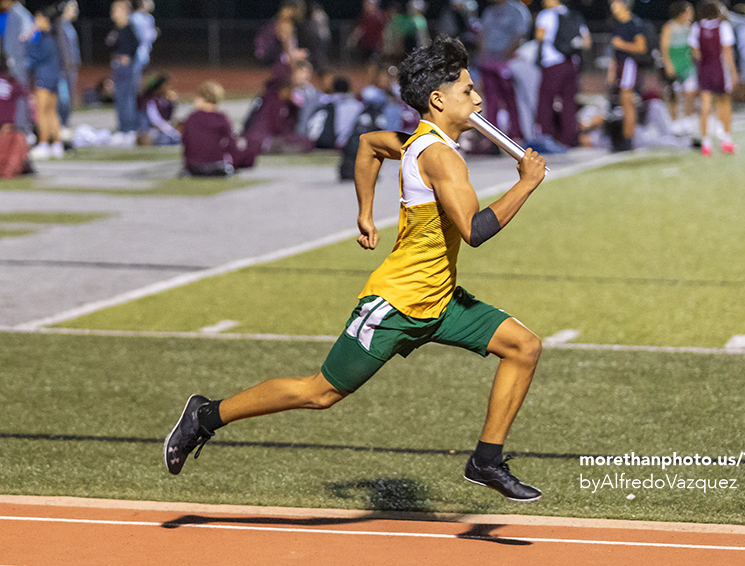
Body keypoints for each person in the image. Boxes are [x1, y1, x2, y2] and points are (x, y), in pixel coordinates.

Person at [163, 36, 549, 504]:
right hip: (396, 305)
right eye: (468, 91)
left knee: (524, 347)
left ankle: (486, 460)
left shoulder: (416, 142)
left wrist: (365, 212)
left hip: (440, 300)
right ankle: (206, 415)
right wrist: (525, 183)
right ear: (438, 99)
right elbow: (474, 229)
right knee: (319, 393)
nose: (479, 99)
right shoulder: (440, 157)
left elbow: (368, 146)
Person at [535, 0, 590, 147]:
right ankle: (569, 139)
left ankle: (545, 137)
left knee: (545, 100)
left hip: (552, 62)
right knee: (569, 103)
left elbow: (539, 36)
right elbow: (586, 42)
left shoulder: (546, 15)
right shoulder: (573, 15)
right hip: (572, 63)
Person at [478, 0, 531, 145]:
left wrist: (505, 56)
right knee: (491, 101)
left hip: (506, 61)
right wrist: (483, 57)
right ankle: (492, 137)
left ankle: (516, 134)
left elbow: (520, 34)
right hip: (489, 61)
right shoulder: (488, 11)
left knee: (511, 99)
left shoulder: (517, 10)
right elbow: (482, 34)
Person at [690, 0, 738, 155]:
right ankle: (727, 141)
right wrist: (733, 72)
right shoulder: (724, 27)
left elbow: (695, 53)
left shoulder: (696, 27)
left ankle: (706, 143)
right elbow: (727, 52)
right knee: (724, 104)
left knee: (704, 107)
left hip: (704, 69)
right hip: (720, 69)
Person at [182, 80, 258, 176]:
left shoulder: (192, 117)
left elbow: (186, 143)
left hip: (194, 167)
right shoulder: (221, 118)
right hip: (216, 167)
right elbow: (232, 145)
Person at [608, 0, 647, 151]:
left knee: (627, 102)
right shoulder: (617, 23)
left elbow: (641, 47)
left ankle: (628, 139)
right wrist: (612, 71)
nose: (612, 6)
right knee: (624, 103)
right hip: (620, 65)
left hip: (629, 64)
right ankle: (626, 139)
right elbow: (614, 51)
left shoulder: (633, 23)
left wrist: (621, 44)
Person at [28, 6, 63, 159]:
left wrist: (30, 35)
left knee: (41, 112)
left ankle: (43, 143)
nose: (35, 22)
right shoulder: (53, 37)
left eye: (38, 19)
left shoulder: (44, 38)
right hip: (54, 77)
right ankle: (56, 144)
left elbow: (33, 55)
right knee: (51, 112)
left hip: (44, 77)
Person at [107, 0, 139, 142]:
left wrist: (126, 57)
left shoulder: (127, 27)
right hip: (117, 66)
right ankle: (123, 128)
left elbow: (134, 45)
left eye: (116, 10)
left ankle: (128, 129)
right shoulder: (117, 28)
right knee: (120, 98)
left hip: (124, 67)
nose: (113, 13)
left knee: (126, 98)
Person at [0, 0, 34, 130]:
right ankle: (22, 126)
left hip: (18, 62)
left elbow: (24, 36)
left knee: (19, 94)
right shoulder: (19, 13)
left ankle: (22, 127)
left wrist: (12, 58)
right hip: (20, 61)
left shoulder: (18, 13)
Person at [661, 1, 697, 124]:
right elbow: (664, 48)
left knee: (690, 92)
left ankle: (688, 119)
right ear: (681, 13)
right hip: (674, 64)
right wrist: (668, 64)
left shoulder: (690, 27)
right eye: (689, 11)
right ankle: (674, 121)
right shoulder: (669, 27)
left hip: (687, 65)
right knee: (674, 94)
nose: (692, 14)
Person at [55, 0, 81, 128]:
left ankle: (64, 126)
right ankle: (59, 127)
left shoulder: (69, 26)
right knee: (63, 100)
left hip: (70, 70)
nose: (76, 10)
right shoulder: (59, 25)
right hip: (62, 70)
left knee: (68, 101)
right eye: (73, 7)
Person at [137, 73, 180, 145]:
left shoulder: (165, 100)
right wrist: (170, 130)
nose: (169, 88)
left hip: (163, 130)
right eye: (167, 85)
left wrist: (174, 103)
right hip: (151, 131)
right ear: (161, 86)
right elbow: (156, 121)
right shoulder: (151, 101)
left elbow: (169, 118)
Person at [130, 0, 158, 89]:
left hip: (145, 48)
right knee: (134, 72)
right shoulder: (135, 17)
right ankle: (134, 92)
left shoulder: (149, 18)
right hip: (137, 47)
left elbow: (150, 36)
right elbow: (144, 35)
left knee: (141, 72)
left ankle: (138, 92)